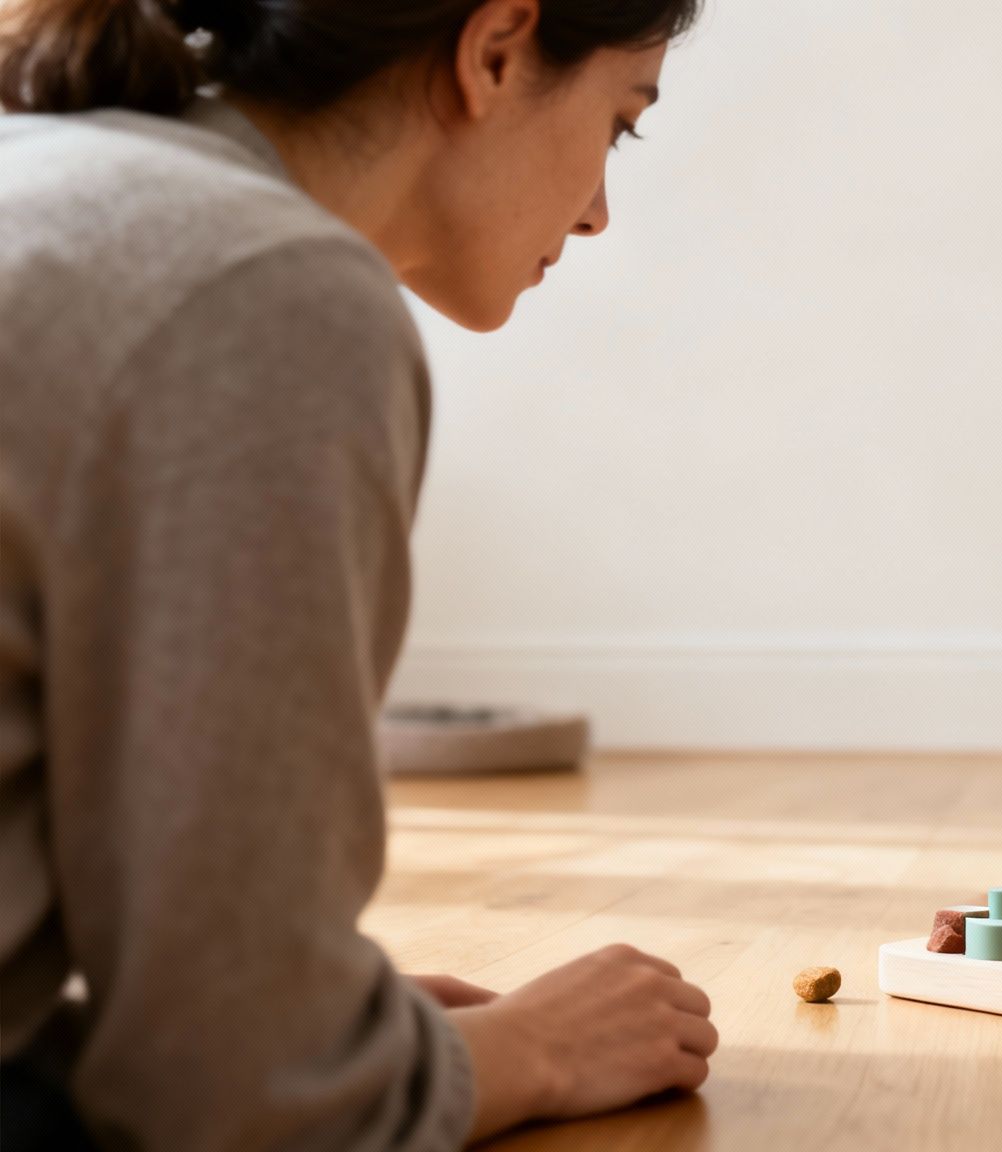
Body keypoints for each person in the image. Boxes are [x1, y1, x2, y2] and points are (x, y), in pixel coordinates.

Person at [0, 1, 719, 1146]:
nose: (596, 212)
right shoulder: (259, 286)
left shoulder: (50, 172)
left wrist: (336, 1020)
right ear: (495, 49)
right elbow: (238, 1092)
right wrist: (522, 1049)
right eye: (618, 124)